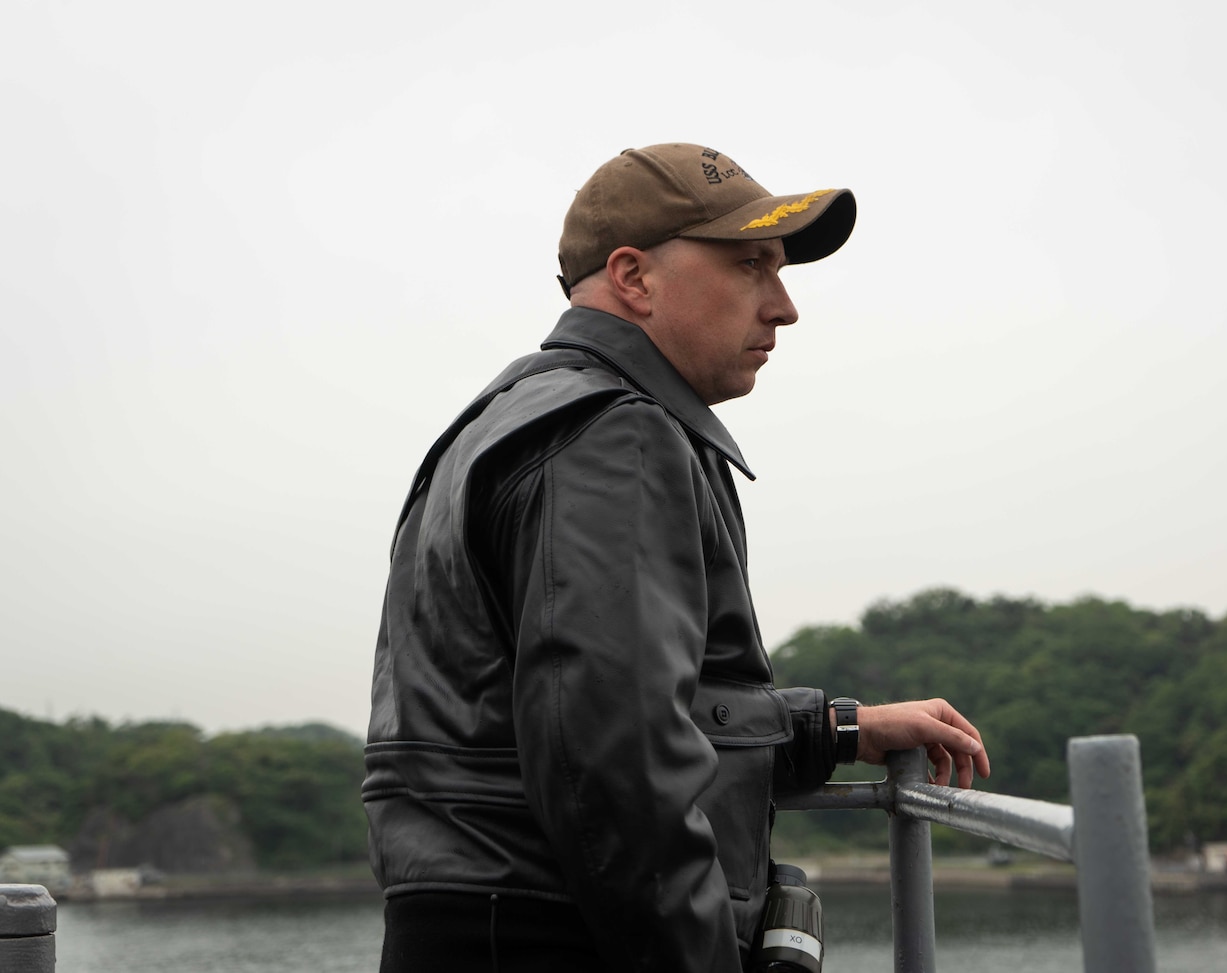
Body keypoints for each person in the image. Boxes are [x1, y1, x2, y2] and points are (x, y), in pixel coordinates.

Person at [363, 142, 992, 973]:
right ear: (634, 277)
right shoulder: (612, 434)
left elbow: (574, 715)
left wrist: (834, 729)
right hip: (555, 937)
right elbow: (616, 772)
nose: (784, 305)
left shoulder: (511, 416)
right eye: (752, 265)